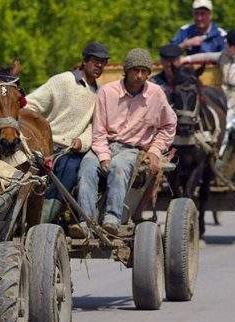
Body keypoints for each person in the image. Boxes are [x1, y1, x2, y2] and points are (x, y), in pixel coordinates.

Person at [72, 48, 177, 236]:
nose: (139, 76)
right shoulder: (107, 92)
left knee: (119, 168)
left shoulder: (156, 94)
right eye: (135, 71)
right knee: (87, 167)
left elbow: (169, 125)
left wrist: (155, 150)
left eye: (144, 71)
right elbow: (99, 130)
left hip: (131, 149)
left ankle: (112, 219)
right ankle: (85, 221)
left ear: (148, 73)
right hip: (103, 145)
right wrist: (103, 156)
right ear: (126, 71)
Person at [25, 42, 109, 223]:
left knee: (69, 168)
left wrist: (82, 141)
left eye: (103, 62)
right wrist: (33, 129)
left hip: (70, 150)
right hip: (44, 145)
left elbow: (93, 127)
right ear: (84, 61)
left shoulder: (99, 94)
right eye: (95, 61)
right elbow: (32, 104)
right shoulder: (63, 81)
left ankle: (43, 220)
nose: (99, 66)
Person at [179, 28, 235, 156]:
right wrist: (186, 59)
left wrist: (225, 107)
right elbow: (207, 56)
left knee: (225, 123)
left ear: (233, 45)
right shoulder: (227, 55)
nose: (225, 45)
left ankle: (217, 156)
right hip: (226, 103)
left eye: (227, 43)